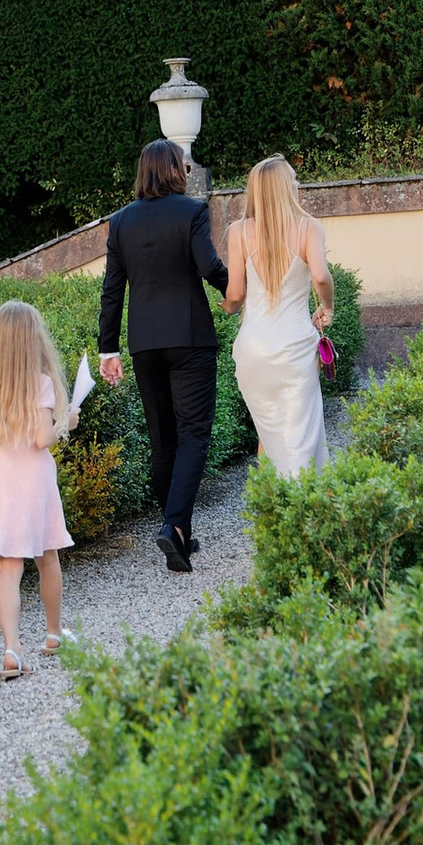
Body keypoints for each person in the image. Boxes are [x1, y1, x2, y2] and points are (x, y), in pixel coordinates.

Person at [96, 140, 228, 575]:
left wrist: (108, 348)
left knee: (162, 440)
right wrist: (237, 290)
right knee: (194, 434)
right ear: (174, 169)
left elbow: (112, 290)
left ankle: (179, 532)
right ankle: (173, 525)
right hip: (189, 339)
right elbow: (208, 266)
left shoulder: (121, 221)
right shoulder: (191, 211)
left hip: (144, 344)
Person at [0, 300, 78, 676]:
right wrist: (66, 422)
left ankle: (12, 649)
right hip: (34, 485)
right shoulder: (40, 383)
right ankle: (54, 634)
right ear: (34, 340)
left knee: (8, 569)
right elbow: (42, 438)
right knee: (48, 557)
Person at [225, 153, 336, 479]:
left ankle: (271, 502)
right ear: (283, 188)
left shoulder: (238, 232)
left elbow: (235, 295)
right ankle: (301, 502)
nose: (298, 183)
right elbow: (321, 276)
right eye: (294, 179)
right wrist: (327, 307)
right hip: (295, 349)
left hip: (253, 350)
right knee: (300, 439)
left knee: (270, 434)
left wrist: (226, 308)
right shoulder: (308, 228)